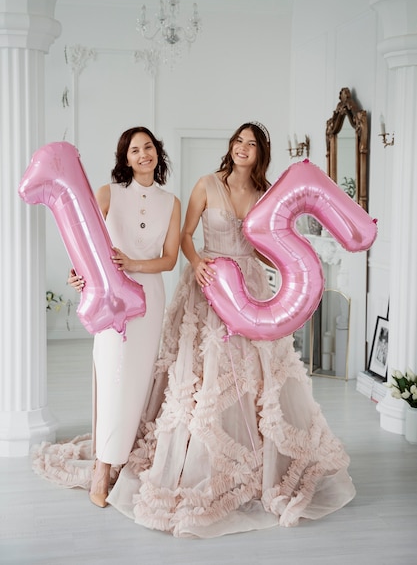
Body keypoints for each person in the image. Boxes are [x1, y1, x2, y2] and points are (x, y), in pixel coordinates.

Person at [106, 121, 356, 537]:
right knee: (202, 374)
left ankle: (259, 456)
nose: (243, 147)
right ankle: (195, 454)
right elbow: (185, 236)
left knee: (255, 374)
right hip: (209, 282)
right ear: (231, 146)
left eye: (251, 143)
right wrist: (199, 263)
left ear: (260, 153)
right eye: (238, 141)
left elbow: (271, 244)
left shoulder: (267, 194)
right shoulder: (207, 184)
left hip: (251, 288)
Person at [32, 126, 181, 508]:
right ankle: (102, 466)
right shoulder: (109, 193)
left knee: (135, 381)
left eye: (148, 147)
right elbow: (82, 237)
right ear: (125, 158)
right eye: (135, 150)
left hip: (150, 298)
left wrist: (134, 263)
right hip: (112, 298)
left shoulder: (171, 202)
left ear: (157, 154)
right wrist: (77, 273)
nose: (143, 154)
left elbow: (169, 259)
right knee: (112, 373)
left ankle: (118, 460)